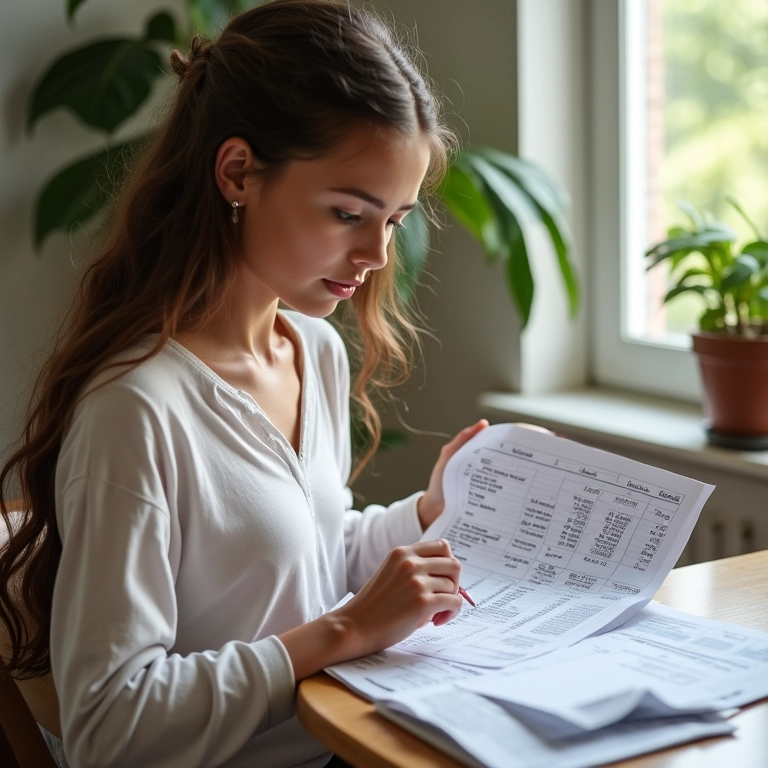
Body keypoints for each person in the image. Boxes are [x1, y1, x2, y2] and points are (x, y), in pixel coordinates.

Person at [0, 1, 489, 766]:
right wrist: (346, 632)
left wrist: (428, 512)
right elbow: (107, 731)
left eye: (393, 220)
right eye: (347, 213)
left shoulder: (313, 350)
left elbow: (297, 560)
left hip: (341, 747)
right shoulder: (135, 411)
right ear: (237, 173)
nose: (376, 254)